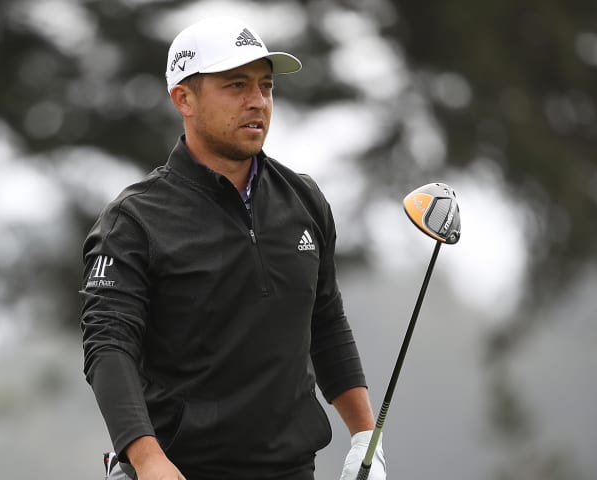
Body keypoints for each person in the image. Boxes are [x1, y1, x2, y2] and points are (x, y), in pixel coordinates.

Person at [81, 17, 387, 480]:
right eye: (236, 85)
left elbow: (325, 320)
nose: (257, 102)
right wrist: (147, 461)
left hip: (291, 469)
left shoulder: (303, 200)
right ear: (183, 98)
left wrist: (366, 437)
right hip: (180, 470)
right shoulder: (134, 220)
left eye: (265, 86)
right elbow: (108, 348)